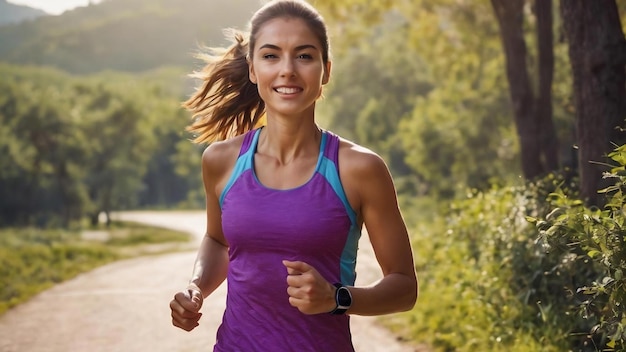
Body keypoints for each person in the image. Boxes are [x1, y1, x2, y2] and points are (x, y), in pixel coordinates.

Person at [169, 0, 418, 350]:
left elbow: (404, 287)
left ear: (325, 70)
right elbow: (218, 241)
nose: (287, 70)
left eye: (304, 56)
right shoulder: (221, 160)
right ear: (253, 69)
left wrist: (336, 298)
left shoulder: (359, 169)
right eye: (271, 56)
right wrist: (196, 287)